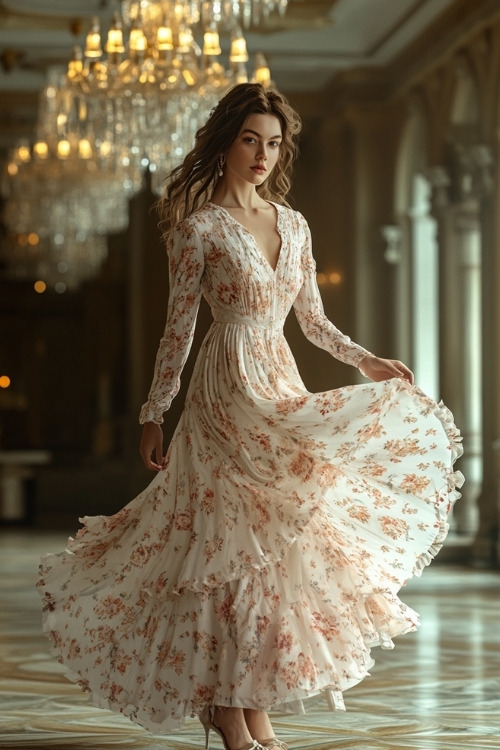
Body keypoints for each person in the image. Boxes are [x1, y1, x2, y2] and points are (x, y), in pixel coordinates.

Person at [38, 83, 463, 750]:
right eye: (249, 140)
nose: (263, 154)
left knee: (271, 554)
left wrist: (366, 361)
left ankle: (247, 701)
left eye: (273, 143)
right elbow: (177, 331)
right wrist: (157, 411)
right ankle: (227, 708)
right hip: (221, 390)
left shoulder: (294, 225)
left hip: (277, 384)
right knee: (220, 547)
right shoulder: (199, 228)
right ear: (226, 143)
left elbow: (313, 322)